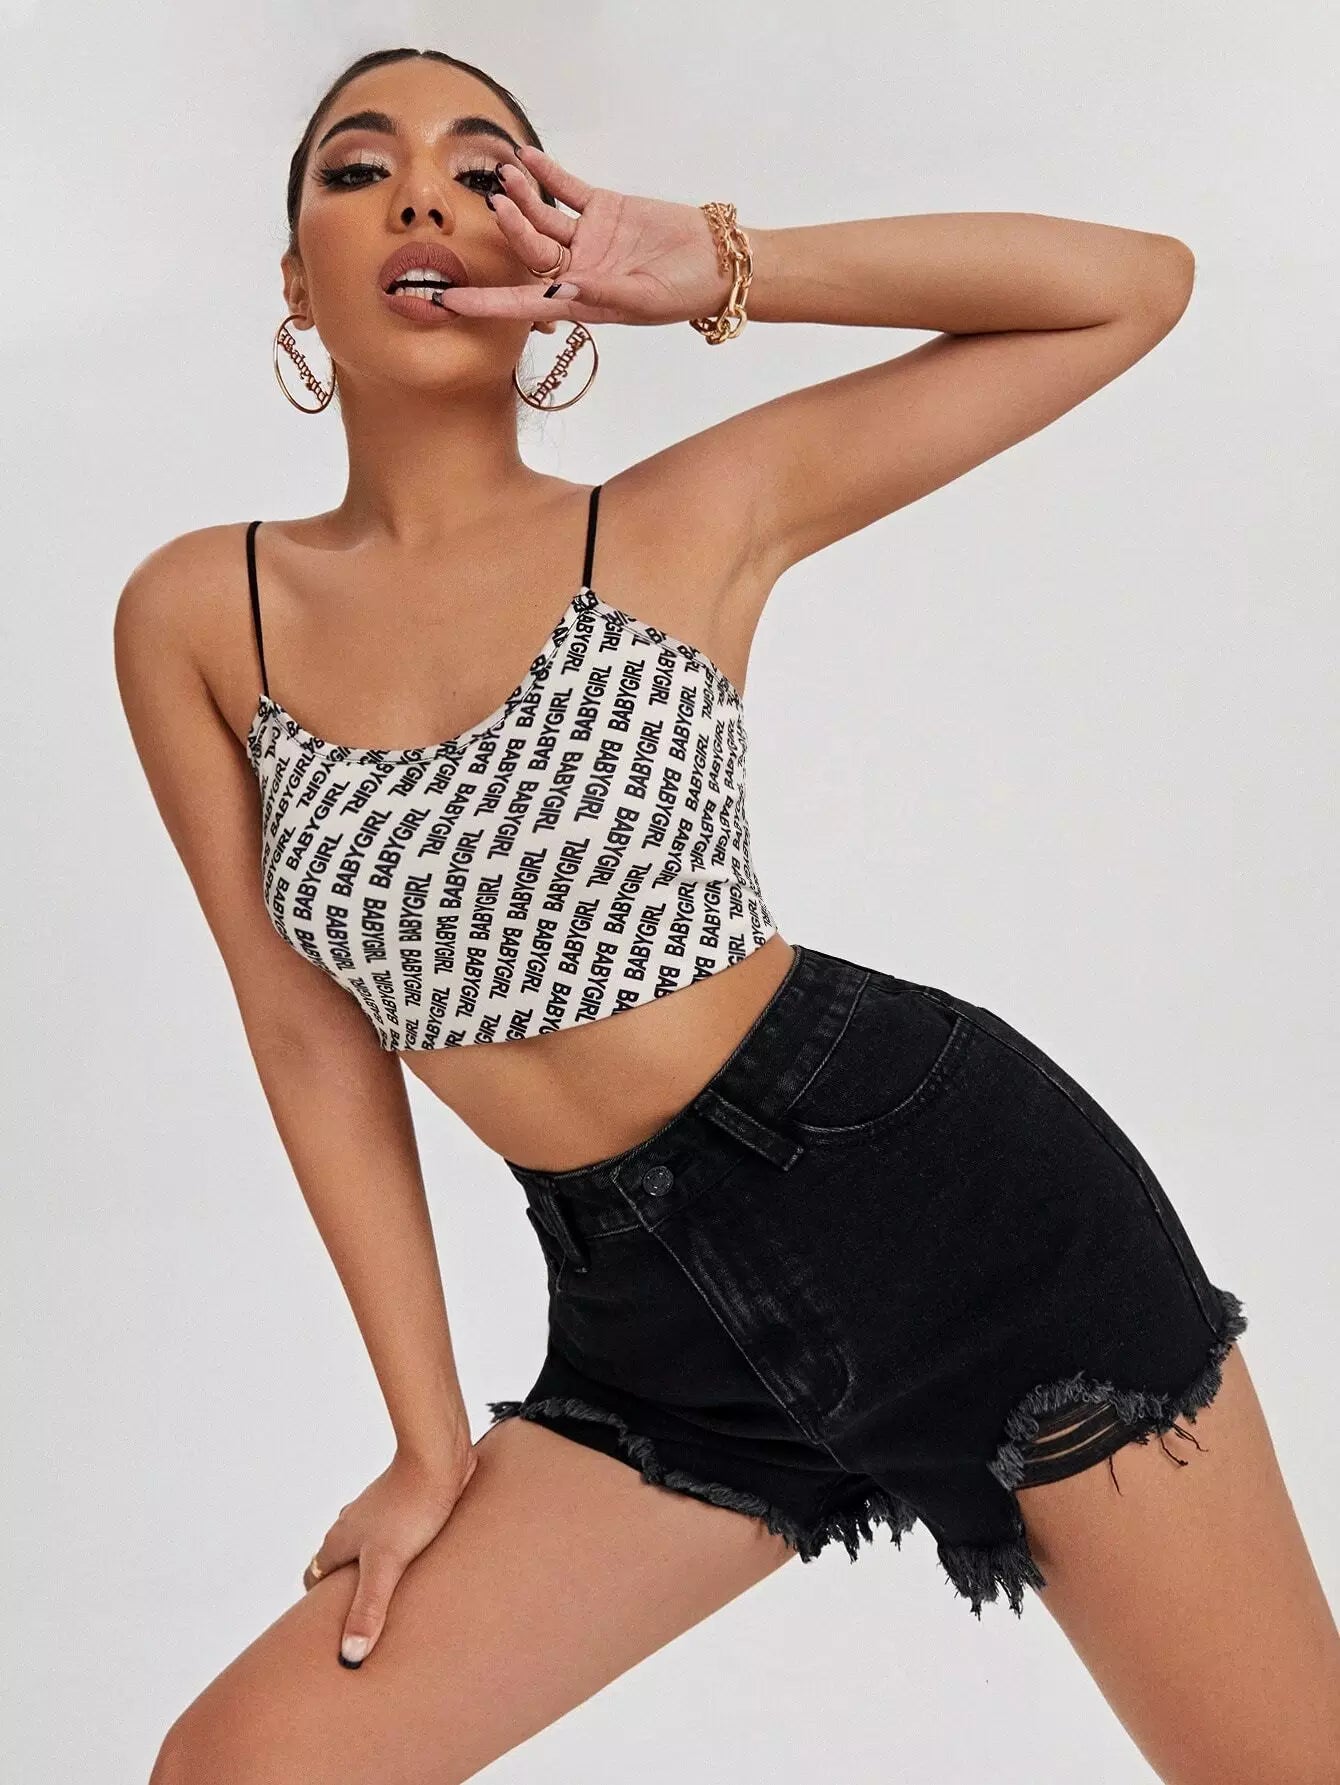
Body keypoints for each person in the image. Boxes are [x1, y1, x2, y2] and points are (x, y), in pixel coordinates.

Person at [116, 45, 1337, 1785]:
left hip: (951, 1208)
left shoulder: (685, 516)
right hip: (651, 1325)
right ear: (297, 280)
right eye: (357, 167)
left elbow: (1133, 287)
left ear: (547, 258)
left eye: (483, 167)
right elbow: (302, 1029)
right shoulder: (200, 611)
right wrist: (423, 1438)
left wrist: (715, 263)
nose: (422, 192)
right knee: (244, 1764)